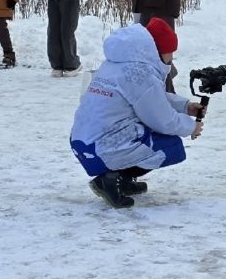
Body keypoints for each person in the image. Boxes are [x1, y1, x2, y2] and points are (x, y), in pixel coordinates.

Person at [69, 18, 206, 209]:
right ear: (159, 51)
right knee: (170, 147)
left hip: (83, 142)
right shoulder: (140, 73)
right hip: (101, 149)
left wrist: (184, 106)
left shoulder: (118, 63)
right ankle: (110, 179)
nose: (171, 58)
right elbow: (163, 120)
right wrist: (191, 127)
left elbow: (149, 98)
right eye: (171, 52)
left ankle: (121, 180)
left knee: (147, 134)